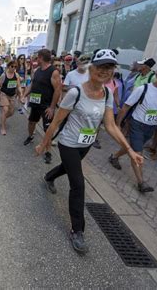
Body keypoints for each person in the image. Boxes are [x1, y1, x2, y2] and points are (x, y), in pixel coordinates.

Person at [35, 49, 143, 255]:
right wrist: (44, 144)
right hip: (68, 143)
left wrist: (128, 150)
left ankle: (49, 176)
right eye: (101, 66)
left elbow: (110, 126)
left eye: (109, 67)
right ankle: (77, 230)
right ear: (92, 68)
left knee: (67, 169)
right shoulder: (76, 92)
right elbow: (56, 121)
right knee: (78, 184)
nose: (104, 71)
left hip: (86, 143)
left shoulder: (108, 94)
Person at [109, 64, 157, 192]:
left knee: (133, 148)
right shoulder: (143, 89)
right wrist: (117, 124)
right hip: (137, 124)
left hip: (152, 127)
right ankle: (141, 182)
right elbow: (126, 106)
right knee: (138, 153)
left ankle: (114, 157)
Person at [22, 49, 62, 164]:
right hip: (35, 103)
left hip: (46, 105)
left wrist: (52, 107)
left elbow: (58, 90)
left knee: (47, 129)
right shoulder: (37, 70)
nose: (35, 60)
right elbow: (32, 85)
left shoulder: (53, 71)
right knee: (31, 122)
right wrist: (24, 95)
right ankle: (30, 137)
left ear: (40, 58)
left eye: (36, 58)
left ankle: (48, 151)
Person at [0, 60, 22, 135]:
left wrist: (21, 93)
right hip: (4, 94)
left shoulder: (16, 75)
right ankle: (3, 128)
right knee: (5, 109)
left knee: (11, 112)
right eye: (12, 66)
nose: (13, 68)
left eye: (15, 67)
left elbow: (19, 86)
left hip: (12, 95)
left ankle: (3, 119)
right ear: (8, 66)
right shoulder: (3, 75)